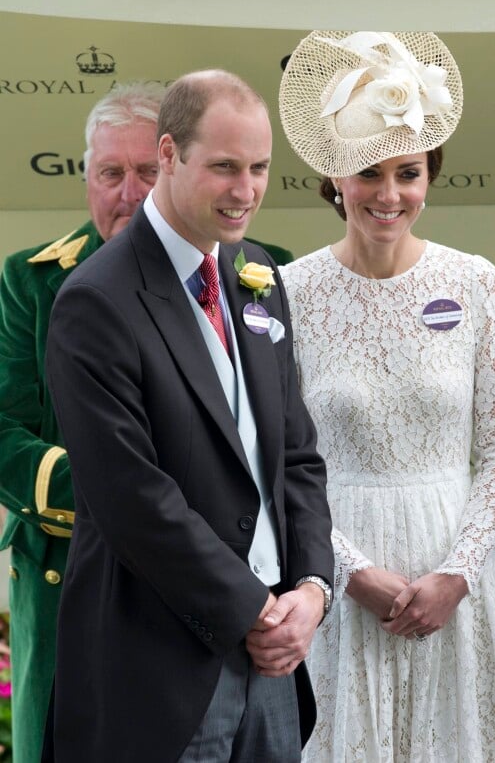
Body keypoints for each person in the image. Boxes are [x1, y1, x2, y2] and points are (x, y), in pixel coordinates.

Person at [43, 69, 334, 763]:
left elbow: (296, 455)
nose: (246, 190)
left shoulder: (257, 272)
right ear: (169, 155)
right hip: (156, 668)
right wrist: (253, 610)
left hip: (273, 665)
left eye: (260, 167)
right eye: (225, 167)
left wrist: (313, 591)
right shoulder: (95, 300)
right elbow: (131, 496)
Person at [279, 30, 495, 761]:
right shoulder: (289, 292)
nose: (389, 195)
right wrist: (347, 570)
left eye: (409, 172)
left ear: (431, 174)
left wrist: (457, 573)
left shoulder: (476, 282)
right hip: (335, 585)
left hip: (455, 583)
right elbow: (278, 459)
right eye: (369, 173)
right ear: (335, 177)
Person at [0, 80, 164, 763]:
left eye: (148, 172)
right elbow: (4, 431)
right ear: (87, 176)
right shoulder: (28, 281)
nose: (129, 192)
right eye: (111, 172)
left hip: (199, 584)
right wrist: (124, 496)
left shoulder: (253, 271)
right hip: (66, 571)